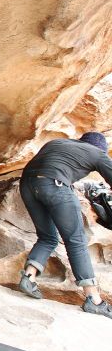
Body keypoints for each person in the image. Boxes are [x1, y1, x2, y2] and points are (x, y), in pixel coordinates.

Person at [17, 132, 112, 318]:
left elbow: (51, 166)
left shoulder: (58, 143)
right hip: (55, 185)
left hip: (27, 185)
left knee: (47, 237)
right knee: (76, 240)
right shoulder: (97, 153)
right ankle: (93, 299)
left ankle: (29, 277)